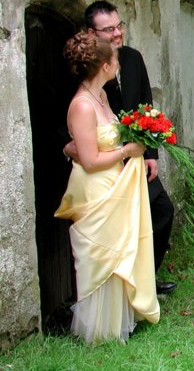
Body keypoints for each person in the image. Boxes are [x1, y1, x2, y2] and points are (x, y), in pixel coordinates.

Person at [66, 1, 177, 295]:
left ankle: (144, 283)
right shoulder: (83, 72)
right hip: (105, 165)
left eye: (120, 26)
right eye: (109, 29)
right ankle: (123, 291)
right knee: (116, 233)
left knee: (162, 211)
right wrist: (69, 149)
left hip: (135, 160)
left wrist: (151, 155)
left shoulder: (133, 58)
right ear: (92, 32)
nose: (117, 33)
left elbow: (145, 106)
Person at [55, 32, 160, 343]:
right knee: (101, 257)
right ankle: (97, 329)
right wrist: (128, 152)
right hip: (95, 188)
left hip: (114, 182)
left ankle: (117, 322)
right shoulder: (83, 106)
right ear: (103, 65)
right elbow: (89, 159)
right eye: (114, 60)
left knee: (119, 252)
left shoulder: (101, 96)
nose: (118, 64)